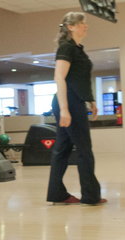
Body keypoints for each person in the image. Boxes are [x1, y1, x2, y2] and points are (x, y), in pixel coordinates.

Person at [46, 12, 107, 206]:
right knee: (84, 150)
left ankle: (57, 194)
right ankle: (91, 196)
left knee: (62, 149)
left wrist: (91, 100)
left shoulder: (78, 49)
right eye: (81, 23)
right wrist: (65, 109)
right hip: (68, 103)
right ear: (71, 27)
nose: (85, 26)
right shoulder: (66, 48)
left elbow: (79, 80)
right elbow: (59, 78)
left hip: (74, 101)